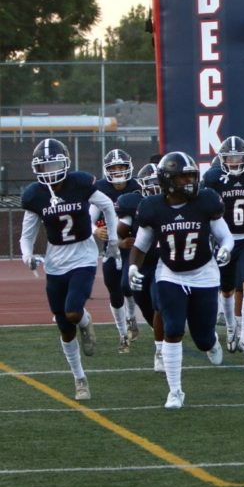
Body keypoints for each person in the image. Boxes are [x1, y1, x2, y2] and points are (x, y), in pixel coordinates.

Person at [128, 151, 231, 409]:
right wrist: (132, 267)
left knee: (202, 338)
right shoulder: (152, 207)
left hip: (204, 274)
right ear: (167, 180)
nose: (189, 181)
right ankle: (175, 391)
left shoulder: (206, 201)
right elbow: (141, 245)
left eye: (192, 176)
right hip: (170, 274)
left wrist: (227, 248)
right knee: (173, 329)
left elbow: (224, 235)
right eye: (183, 176)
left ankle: (211, 342)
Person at [19, 138, 120, 400]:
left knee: (73, 311)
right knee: (65, 327)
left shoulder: (80, 183)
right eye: (45, 166)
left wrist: (113, 241)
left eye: (54, 163)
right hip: (55, 262)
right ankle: (79, 378)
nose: (50, 171)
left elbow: (108, 205)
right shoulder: (35, 195)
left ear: (66, 162)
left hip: (84, 256)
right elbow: (26, 235)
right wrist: (27, 255)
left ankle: (85, 320)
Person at [201, 136, 244, 361]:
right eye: (229, 157)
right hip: (225, 241)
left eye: (237, 157)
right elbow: (204, 204)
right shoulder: (213, 178)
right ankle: (231, 329)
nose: (233, 161)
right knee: (227, 290)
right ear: (221, 159)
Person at [116, 163, 166, 371]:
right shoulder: (133, 203)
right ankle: (163, 334)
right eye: (150, 183)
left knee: (158, 303)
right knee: (143, 303)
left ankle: (161, 350)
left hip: (164, 261)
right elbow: (121, 232)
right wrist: (121, 242)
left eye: (158, 182)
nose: (154, 187)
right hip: (142, 262)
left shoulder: (174, 201)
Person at [91, 148, 141, 353]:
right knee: (114, 291)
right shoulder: (100, 188)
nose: (118, 171)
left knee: (127, 286)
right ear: (107, 170)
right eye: (114, 167)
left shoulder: (138, 187)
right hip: (111, 245)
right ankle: (122, 334)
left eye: (122, 167)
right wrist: (96, 231)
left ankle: (130, 319)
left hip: (132, 242)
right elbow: (89, 217)